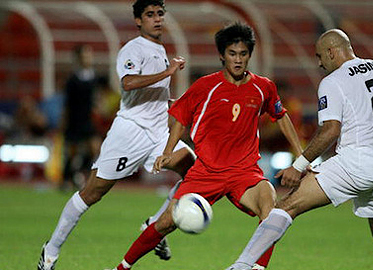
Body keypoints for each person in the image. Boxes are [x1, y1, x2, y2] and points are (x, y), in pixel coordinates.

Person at [226, 29, 373, 270]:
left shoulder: (333, 82)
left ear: (331, 51)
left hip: (352, 165)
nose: (319, 63)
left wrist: (298, 166)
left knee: (286, 207)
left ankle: (242, 266)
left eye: (319, 56)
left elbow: (330, 130)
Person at [106, 22, 303, 270]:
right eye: (232, 54)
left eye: (243, 54)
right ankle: (121, 268)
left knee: (270, 206)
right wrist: (167, 152)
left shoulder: (263, 87)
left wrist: (301, 156)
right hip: (206, 171)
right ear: (222, 55)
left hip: (244, 172)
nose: (238, 60)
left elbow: (281, 115)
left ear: (250, 55)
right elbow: (180, 117)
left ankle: (254, 267)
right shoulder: (206, 86)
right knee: (165, 223)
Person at [37, 0, 196, 269]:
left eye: (160, 14)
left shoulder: (160, 50)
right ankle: (50, 250)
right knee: (92, 193)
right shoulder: (131, 49)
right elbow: (128, 83)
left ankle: (153, 224)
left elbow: (152, 96)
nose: (156, 19)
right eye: (150, 15)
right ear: (138, 21)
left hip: (158, 133)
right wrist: (167, 72)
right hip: (130, 134)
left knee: (195, 171)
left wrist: (174, 103)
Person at [61, 44, 101, 191]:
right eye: (85, 55)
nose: (88, 58)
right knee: (71, 152)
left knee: (94, 149)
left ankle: (79, 173)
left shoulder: (94, 77)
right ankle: (66, 179)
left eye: (89, 55)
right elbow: (67, 104)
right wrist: (64, 122)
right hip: (74, 120)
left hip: (88, 120)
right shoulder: (72, 80)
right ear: (78, 58)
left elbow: (96, 98)